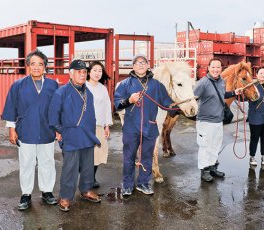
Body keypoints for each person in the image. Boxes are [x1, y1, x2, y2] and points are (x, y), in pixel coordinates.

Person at [2, 49, 58, 210]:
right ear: (28, 65)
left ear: (45, 67)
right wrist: (11, 129)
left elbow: (57, 109)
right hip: (26, 130)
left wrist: (59, 129)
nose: (36, 67)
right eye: (33, 63)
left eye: (40, 64)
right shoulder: (18, 85)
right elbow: (11, 107)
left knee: (47, 162)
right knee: (27, 163)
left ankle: (47, 191)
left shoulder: (52, 85)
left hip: (47, 130)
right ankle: (25, 194)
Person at [114, 54, 176, 196]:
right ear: (133, 66)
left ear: (148, 65)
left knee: (147, 157)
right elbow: (117, 104)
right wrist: (129, 100)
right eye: (138, 62)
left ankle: (143, 183)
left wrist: (180, 107)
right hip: (131, 127)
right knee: (129, 157)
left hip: (150, 126)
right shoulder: (125, 84)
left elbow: (167, 102)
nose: (141, 65)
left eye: (144, 62)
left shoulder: (156, 85)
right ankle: (127, 184)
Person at [49, 59, 102, 212]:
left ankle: (86, 190)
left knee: (87, 166)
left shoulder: (88, 92)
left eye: (84, 72)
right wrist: (62, 131)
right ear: (71, 74)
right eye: (79, 72)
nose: (82, 74)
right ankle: (65, 196)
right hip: (71, 135)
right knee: (70, 168)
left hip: (87, 135)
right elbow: (53, 116)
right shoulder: (61, 92)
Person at [193, 58, 242, 183]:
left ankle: (213, 168)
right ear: (208, 68)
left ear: (221, 69)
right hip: (205, 121)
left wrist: (233, 93)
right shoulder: (203, 82)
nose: (216, 69)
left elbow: (221, 94)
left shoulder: (221, 81)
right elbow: (192, 97)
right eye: (213, 67)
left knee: (215, 146)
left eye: (218, 67)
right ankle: (204, 170)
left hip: (218, 121)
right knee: (205, 146)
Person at [85, 61, 113, 188]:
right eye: (95, 70)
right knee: (86, 153)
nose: (97, 73)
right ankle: (86, 178)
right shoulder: (83, 86)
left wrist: (107, 125)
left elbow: (107, 107)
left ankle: (92, 178)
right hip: (85, 126)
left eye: (100, 71)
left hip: (99, 125)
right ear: (89, 72)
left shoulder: (103, 88)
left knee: (98, 153)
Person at [247, 66, 264, 167]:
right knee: (254, 137)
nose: (263, 75)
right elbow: (245, 98)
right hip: (255, 116)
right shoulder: (252, 86)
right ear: (256, 75)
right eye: (261, 73)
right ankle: (252, 156)